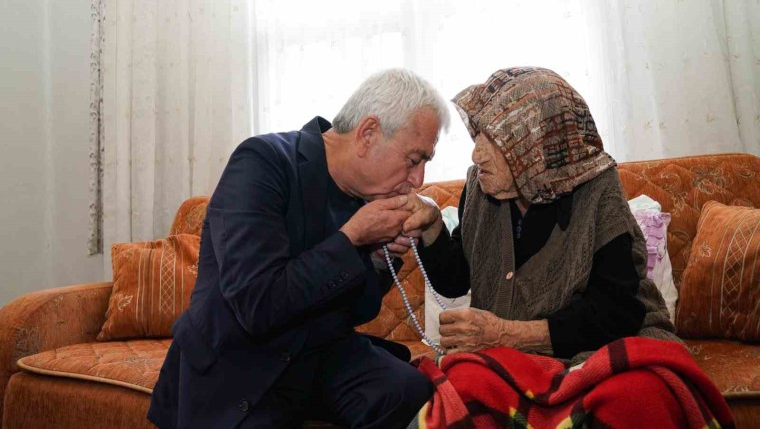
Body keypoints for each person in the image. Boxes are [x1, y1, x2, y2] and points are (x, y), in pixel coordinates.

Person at [147, 69, 450, 428]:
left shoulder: (368, 193)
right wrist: (352, 237)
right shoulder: (262, 162)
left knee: (407, 389)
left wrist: (378, 258)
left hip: (318, 353)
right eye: (413, 160)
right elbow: (256, 304)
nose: (418, 180)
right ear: (368, 134)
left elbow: (357, 311)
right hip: (240, 356)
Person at [402, 67, 679, 365]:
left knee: (632, 387)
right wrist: (432, 226)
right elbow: (456, 280)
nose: (476, 154)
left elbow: (617, 312)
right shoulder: (480, 187)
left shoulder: (597, 189)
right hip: (517, 359)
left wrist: (506, 335)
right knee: (460, 379)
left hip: (606, 347)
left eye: (494, 138)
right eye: (478, 134)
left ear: (540, 145)